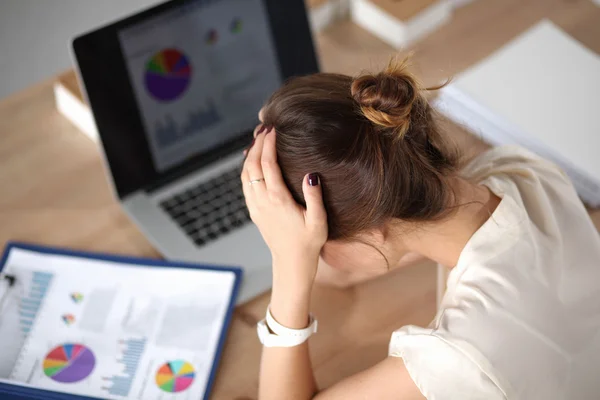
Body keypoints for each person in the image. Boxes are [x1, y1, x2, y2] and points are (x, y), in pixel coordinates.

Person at [240, 57, 600, 399]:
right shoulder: (520, 171)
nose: (319, 260)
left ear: (374, 230)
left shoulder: (460, 353)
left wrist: (288, 268)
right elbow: (342, 274)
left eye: (317, 248)